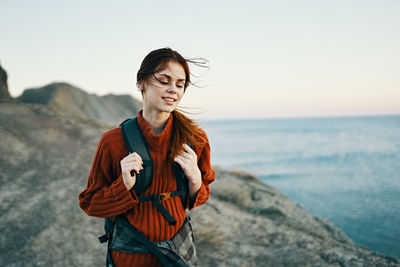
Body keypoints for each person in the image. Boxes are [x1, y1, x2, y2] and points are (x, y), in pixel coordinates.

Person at [78, 47, 216, 266]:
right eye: (164, 80)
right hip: (130, 256)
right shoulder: (113, 141)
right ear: (141, 82)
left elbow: (202, 194)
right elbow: (90, 204)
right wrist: (123, 186)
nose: (173, 90)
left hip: (179, 252)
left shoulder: (195, 138)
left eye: (180, 84)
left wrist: (196, 179)